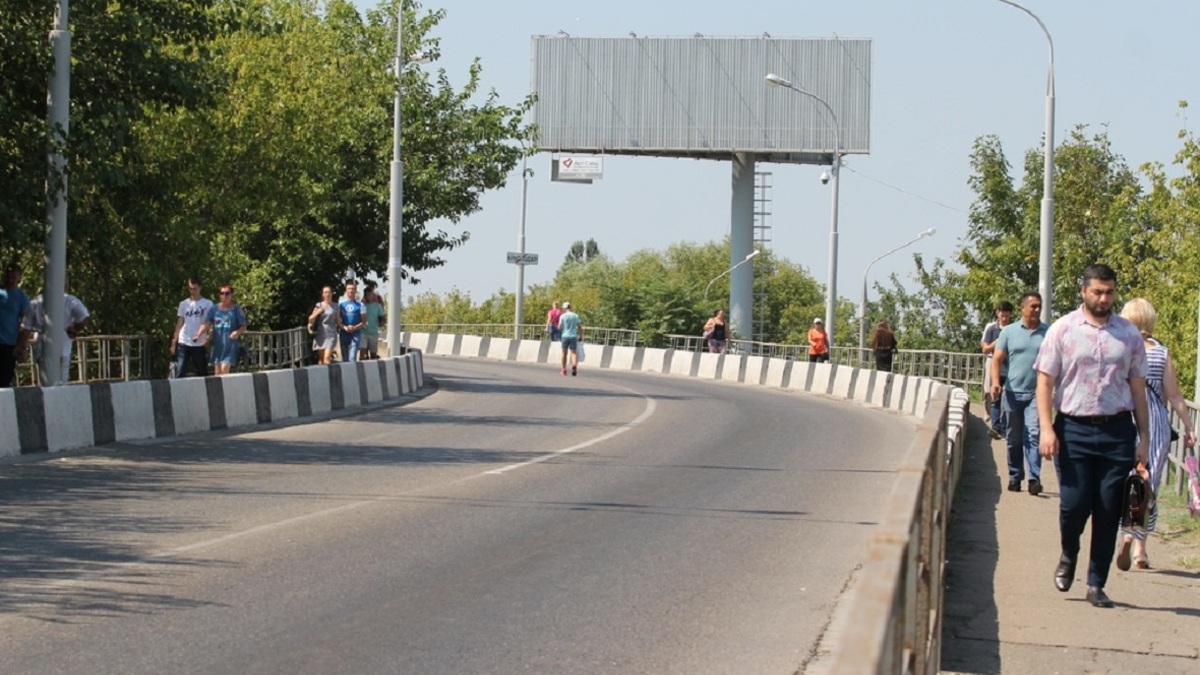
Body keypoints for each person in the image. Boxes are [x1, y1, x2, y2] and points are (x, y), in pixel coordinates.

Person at [1035, 264, 1150, 608]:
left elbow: (1139, 389)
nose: (1103, 298)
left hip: (1117, 430)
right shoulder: (1063, 330)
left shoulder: (1129, 335)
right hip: (1073, 429)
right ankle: (1069, 553)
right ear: (1083, 291)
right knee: (1073, 505)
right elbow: (1045, 382)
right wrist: (1045, 427)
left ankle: (1096, 583)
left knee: (1107, 509)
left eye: (1110, 292)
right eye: (1097, 291)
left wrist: (1143, 437)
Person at [1115, 298, 1198, 571]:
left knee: (1130, 482)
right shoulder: (1161, 353)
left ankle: (1127, 532)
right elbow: (1174, 395)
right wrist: (1189, 426)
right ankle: (1140, 548)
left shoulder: (1120, 350)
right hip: (1156, 425)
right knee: (1148, 485)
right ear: (1150, 321)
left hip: (1124, 421)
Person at [991, 292, 1049, 495]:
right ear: (1023, 308)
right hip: (1013, 393)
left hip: (1037, 393)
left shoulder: (1048, 332)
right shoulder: (1009, 332)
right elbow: (996, 359)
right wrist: (996, 382)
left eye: (1039, 306)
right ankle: (1015, 476)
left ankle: (1034, 478)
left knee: (1033, 434)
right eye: (1033, 306)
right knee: (1014, 438)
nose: (1037, 309)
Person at [25, 283, 90, 386]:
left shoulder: (36, 301)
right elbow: (84, 317)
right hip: (62, 340)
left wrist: (21, 344)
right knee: (62, 377)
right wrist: (75, 329)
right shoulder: (70, 300)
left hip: (41, 340)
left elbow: (26, 326)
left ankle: (46, 396)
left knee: (44, 377)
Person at [196, 285, 247, 376]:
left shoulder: (236, 309)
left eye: (227, 293)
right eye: (222, 293)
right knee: (218, 373)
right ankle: (220, 390)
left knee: (224, 370)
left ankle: (225, 389)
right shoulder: (214, 309)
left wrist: (237, 332)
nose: (224, 296)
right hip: (217, 345)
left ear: (231, 295)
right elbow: (207, 323)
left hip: (230, 344)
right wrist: (199, 334)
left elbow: (243, 326)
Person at [982, 301, 1015, 440]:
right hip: (994, 366)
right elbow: (984, 349)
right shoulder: (991, 329)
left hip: (1010, 368)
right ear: (998, 313)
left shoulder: (1014, 328)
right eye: (1002, 315)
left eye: (1007, 316)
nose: (1004, 318)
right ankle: (996, 427)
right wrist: (996, 343)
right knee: (994, 397)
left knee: (1008, 400)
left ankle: (1004, 428)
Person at [169, 277, 213, 377]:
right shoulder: (184, 304)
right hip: (184, 340)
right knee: (180, 370)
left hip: (199, 342)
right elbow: (179, 323)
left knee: (202, 371)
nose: (192, 291)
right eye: (190, 288)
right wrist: (174, 341)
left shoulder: (208, 304)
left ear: (200, 288)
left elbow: (210, 323)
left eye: (195, 288)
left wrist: (208, 337)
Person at [0, 262, 31, 388]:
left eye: (14, 277)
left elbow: (26, 322)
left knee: (4, 381)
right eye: (9, 277)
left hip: (9, 343)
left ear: (19, 278)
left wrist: (22, 345)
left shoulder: (22, 297)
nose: (11, 280)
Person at [337, 281, 365, 363]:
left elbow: (364, 321)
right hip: (344, 332)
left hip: (355, 333)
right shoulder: (341, 304)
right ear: (345, 291)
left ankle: (352, 374)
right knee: (345, 358)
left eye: (353, 289)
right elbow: (338, 320)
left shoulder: (360, 305)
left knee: (352, 358)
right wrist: (344, 327)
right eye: (349, 289)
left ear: (356, 291)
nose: (351, 291)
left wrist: (355, 327)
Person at [308, 286, 337, 365]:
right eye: (325, 292)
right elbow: (310, 319)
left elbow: (338, 321)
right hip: (320, 333)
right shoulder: (319, 305)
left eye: (329, 292)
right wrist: (318, 312)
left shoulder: (335, 306)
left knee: (326, 358)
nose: (328, 294)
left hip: (331, 333)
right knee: (321, 360)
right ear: (323, 295)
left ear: (332, 294)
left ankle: (328, 375)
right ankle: (322, 375)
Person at [361, 286, 385, 359]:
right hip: (363, 332)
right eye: (367, 294)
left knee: (373, 355)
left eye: (371, 294)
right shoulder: (362, 305)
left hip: (373, 332)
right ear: (365, 295)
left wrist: (382, 323)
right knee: (363, 355)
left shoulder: (377, 306)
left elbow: (383, 316)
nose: (369, 296)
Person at [559, 301, 582, 376]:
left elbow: (559, 326)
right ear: (570, 307)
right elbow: (579, 327)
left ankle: (564, 369)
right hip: (573, 336)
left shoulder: (562, 316)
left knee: (564, 353)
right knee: (574, 353)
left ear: (564, 308)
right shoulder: (575, 316)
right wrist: (581, 336)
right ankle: (574, 365)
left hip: (565, 336)